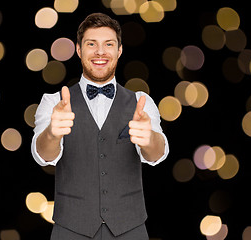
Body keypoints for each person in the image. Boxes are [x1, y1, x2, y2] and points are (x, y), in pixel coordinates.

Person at [31, 12, 169, 240]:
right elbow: (43, 155)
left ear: (120, 50)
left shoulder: (141, 102)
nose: (100, 52)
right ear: (78, 49)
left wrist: (149, 139)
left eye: (109, 44)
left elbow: (157, 154)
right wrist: (53, 135)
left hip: (130, 229)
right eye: (91, 44)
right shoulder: (54, 102)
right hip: (70, 229)